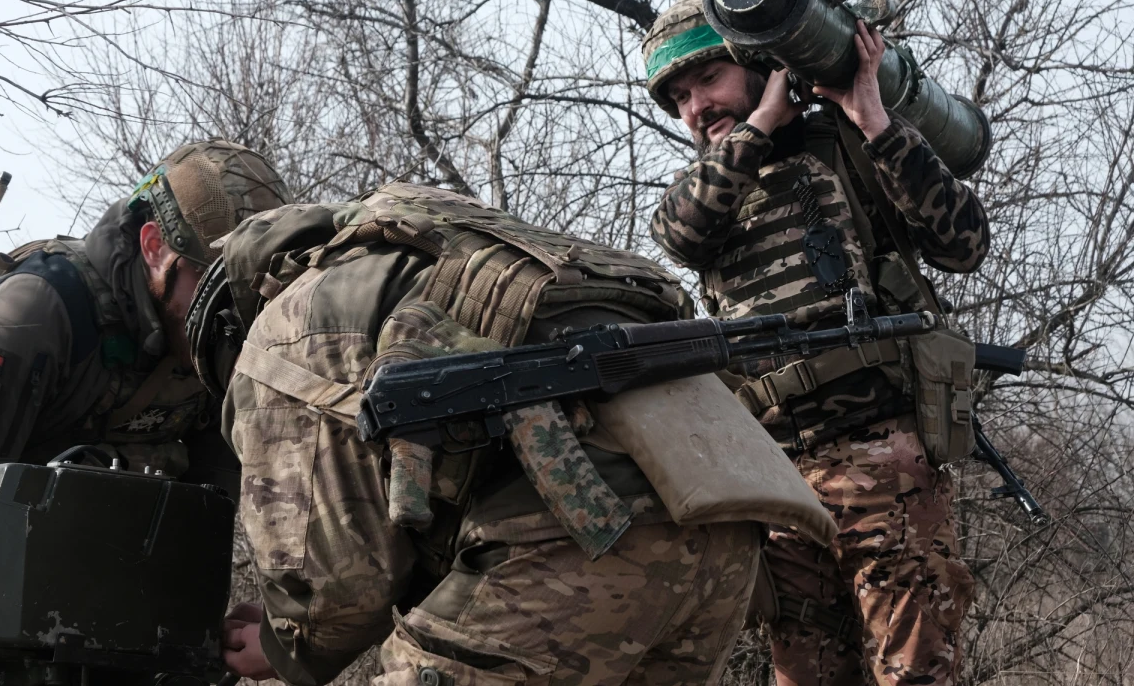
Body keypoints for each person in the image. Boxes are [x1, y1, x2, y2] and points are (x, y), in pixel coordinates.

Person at [190, 182, 836, 686]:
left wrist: (281, 645)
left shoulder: (284, 329)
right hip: (724, 522)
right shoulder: (434, 242)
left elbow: (342, 585)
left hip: (588, 539)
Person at [641, 0, 990, 686]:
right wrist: (764, 120)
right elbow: (678, 232)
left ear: (756, 65)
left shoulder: (846, 145)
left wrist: (877, 123)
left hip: (880, 459)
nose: (694, 108)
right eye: (678, 97)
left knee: (917, 671)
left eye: (707, 80)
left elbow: (964, 242)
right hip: (773, 478)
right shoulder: (710, 189)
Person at [0, 140, 291, 492]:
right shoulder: (32, 313)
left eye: (249, 292)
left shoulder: (225, 335)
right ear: (154, 248)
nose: (232, 312)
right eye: (210, 282)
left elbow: (215, 504)